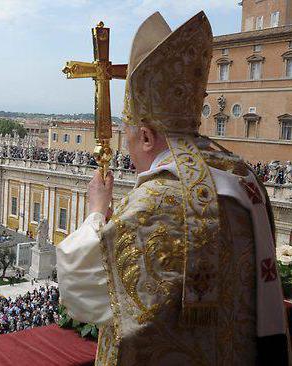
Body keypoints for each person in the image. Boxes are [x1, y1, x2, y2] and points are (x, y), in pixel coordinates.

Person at [56, 12, 289, 365]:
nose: (130, 152)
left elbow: (81, 289)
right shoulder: (242, 177)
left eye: (130, 139)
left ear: (146, 135)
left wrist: (95, 213)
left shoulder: (157, 198)